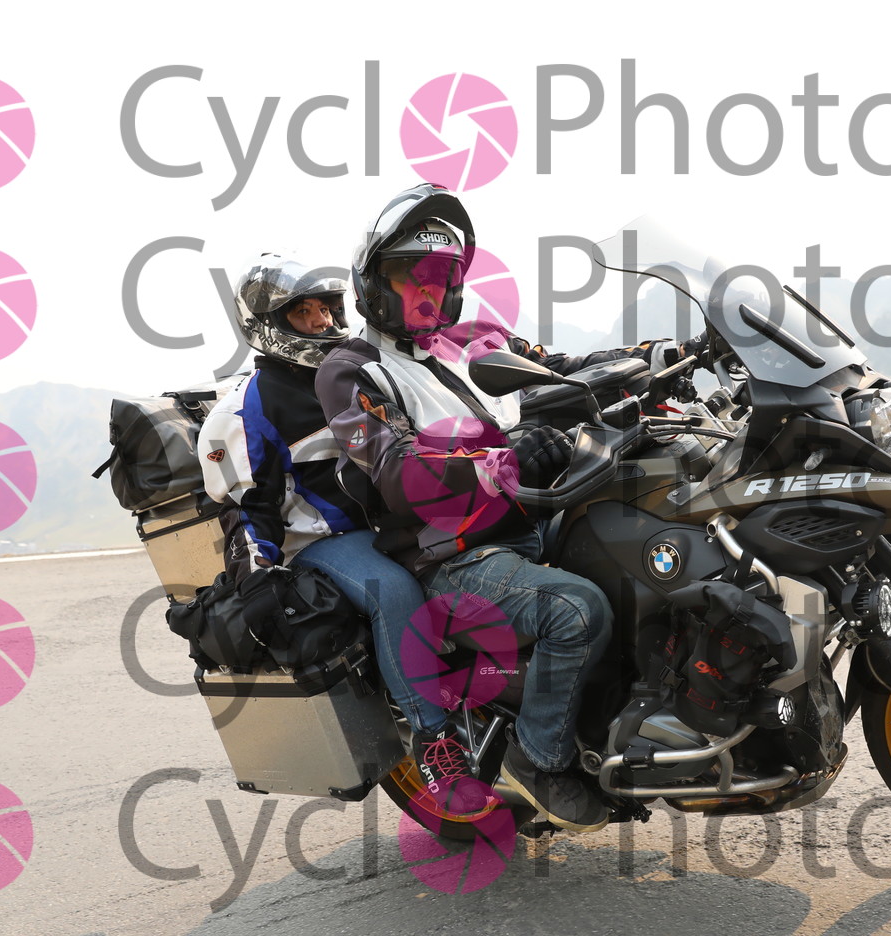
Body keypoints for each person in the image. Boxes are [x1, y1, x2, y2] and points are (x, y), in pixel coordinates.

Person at [317, 185, 639, 833]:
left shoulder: (472, 339)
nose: (428, 290)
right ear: (373, 282)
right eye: (411, 275)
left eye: (441, 276)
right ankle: (540, 758)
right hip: (453, 558)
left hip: (534, 518)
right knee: (577, 610)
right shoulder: (350, 372)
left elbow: (561, 366)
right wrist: (505, 460)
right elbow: (396, 471)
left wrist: (662, 356)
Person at [200, 252, 495, 819]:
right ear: (267, 324)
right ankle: (434, 743)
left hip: (392, 520)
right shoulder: (246, 408)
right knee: (393, 591)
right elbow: (248, 509)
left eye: (328, 308)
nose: (322, 322)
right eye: (302, 313)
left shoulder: (359, 368)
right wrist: (258, 580)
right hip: (322, 541)